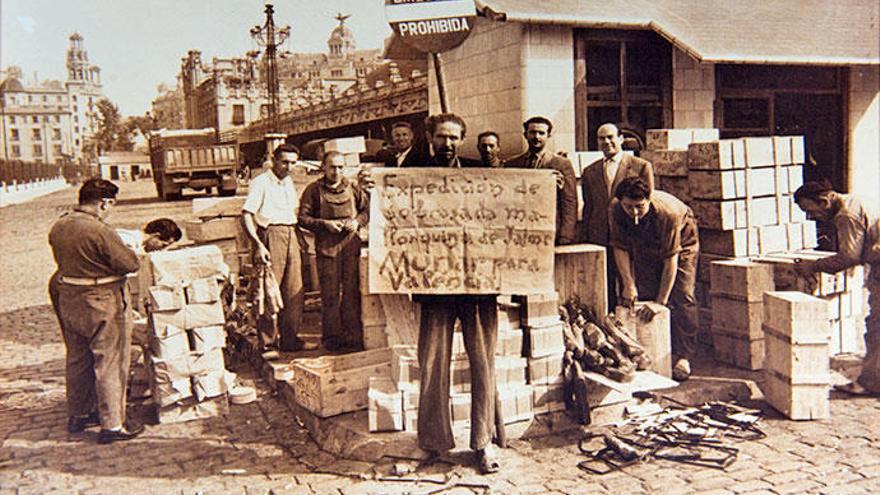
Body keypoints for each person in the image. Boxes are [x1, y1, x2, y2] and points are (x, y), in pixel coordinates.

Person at [410, 113, 501, 474]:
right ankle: (432, 443)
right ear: (430, 138)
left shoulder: (482, 172)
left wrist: (548, 185)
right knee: (432, 366)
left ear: (462, 140)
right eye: (441, 137)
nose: (447, 144)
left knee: (484, 364)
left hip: (477, 287)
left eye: (453, 138)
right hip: (435, 289)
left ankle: (483, 444)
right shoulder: (412, 174)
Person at [48, 178, 144, 443]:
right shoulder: (99, 230)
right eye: (110, 205)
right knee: (110, 361)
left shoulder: (60, 225)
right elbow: (128, 263)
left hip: (70, 297)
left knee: (78, 358)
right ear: (104, 203)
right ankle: (113, 425)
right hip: (102, 299)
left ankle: (78, 415)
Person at [792, 180, 880, 396]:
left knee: (877, 329)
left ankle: (871, 384)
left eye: (810, 211)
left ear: (823, 202)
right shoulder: (856, 199)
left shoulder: (845, 215)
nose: (812, 218)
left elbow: (849, 256)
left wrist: (812, 266)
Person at [609, 177, 698, 381]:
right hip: (645, 237)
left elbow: (670, 260)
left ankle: (684, 356)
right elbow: (620, 248)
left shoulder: (668, 214)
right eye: (628, 207)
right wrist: (628, 284)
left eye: (639, 207)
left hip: (683, 239)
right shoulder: (615, 209)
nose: (634, 213)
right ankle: (648, 352)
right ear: (621, 202)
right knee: (643, 290)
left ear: (648, 200)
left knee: (683, 293)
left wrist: (660, 302)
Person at [242, 143, 316, 353]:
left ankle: (290, 340)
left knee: (294, 291)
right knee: (268, 290)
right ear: (273, 160)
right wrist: (258, 245)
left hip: (291, 234)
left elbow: (292, 213)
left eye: (293, 163)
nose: (289, 167)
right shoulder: (261, 183)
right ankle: (268, 343)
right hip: (270, 235)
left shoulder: (288, 182)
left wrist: (300, 238)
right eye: (284, 162)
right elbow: (247, 214)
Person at [298, 151, 370, 351]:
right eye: (332, 167)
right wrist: (325, 224)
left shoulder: (353, 188)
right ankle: (331, 340)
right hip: (327, 249)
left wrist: (357, 222)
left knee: (351, 294)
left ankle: (353, 338)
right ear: (323, 167)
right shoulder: (313, 190)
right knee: (329, 296)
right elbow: (303, 218)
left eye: (340, 167)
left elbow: (367, 210)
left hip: (350, 248)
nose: (336, 171)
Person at [581, 123, 654, 308]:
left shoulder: (640, 166)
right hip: (600, 237)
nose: (606, 142)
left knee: (630, 285)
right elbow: (589, 207)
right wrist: (587, 237)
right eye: (601, 138)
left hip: (630, 236)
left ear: (621, 139)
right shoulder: (589, 171)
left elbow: (647, 205)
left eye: (610, 137)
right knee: (603, 286)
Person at [506, 116, 578, 245]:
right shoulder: (512, 164)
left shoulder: (561, 164)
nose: (537, 137)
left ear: (549, 135)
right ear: (525, 135)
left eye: (541, 133)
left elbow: (569, 201)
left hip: (550, 230)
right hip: (519, 231)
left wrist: (566, 235)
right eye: (532, 132)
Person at [116, 218, 183, 254]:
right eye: (163, 245)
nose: (161, 250)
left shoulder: (137, 243)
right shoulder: (127, 240)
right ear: (155, 235)